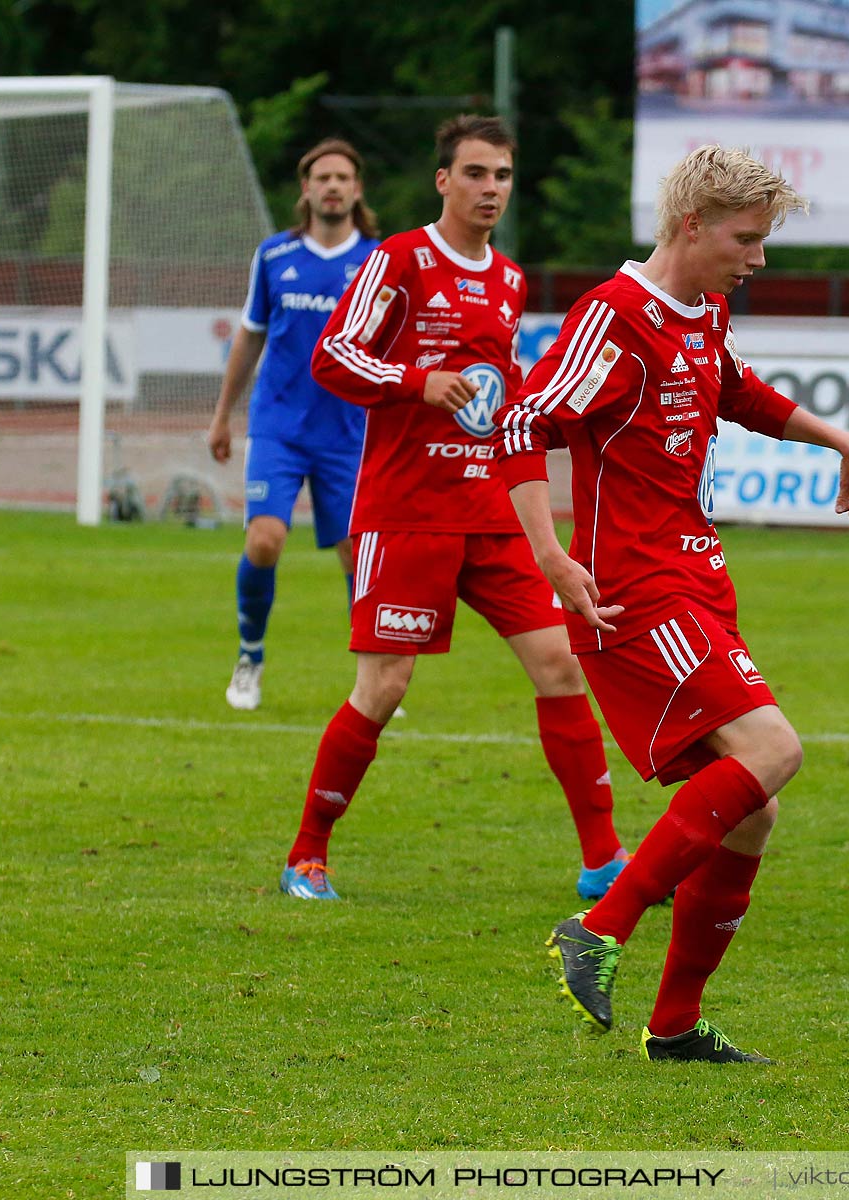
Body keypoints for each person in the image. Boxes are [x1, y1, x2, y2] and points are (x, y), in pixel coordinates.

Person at [496, 146, 849, 1064]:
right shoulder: (614, 318)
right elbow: (520, 425)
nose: (759, 258)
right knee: (775, 750)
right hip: (630, 586)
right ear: (689, 226)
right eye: (746, 239)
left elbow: (733, 390)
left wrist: (837, 440)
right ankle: (601, 924)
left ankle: (673, 1029)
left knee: (754, 810)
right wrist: (551, 556)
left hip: (696, 576)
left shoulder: (703, 308)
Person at [278, 115, 628, 904]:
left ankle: (603, 858)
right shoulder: (398, 258)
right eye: (475, 174)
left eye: (502, 176)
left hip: (489, 508)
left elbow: (501, 388)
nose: (490, 189)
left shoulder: (508, 279)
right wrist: (416, 382)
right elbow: (332, 354)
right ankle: (307, 856)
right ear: (444, 181)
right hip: (407, 513)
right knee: (386, 685)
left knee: (563, 664)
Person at [209, 139, 381, 712]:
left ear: (356, 191)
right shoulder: (274, 256)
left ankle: (374, 679)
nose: (332, 186)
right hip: (279, 425)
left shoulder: (380, 263)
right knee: (265, 539)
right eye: (322, 177)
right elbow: (251, 336)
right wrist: (222, 416)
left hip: (350, 431)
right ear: (306, 190)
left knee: (358, 556)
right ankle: (249, 657)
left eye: (342, 178)